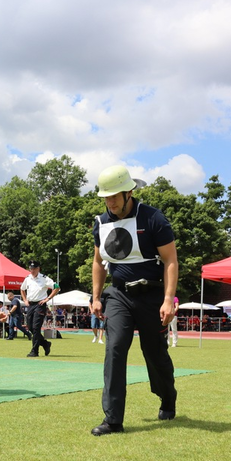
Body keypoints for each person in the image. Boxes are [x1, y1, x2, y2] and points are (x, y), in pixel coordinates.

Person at [90, 165, 178, 436]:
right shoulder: (101, 223)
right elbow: (97, 262)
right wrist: (95, 296)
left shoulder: (153, 219)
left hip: (151, 296)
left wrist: (168, 299)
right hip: (118, 295)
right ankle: (113, 420)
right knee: (114, 349)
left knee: (155, 353)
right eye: (106, 197)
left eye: (115, 195)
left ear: (129, 192)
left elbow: (171, 260)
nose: (111, 202)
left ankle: (167, 397)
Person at [20, 261, 60, 357]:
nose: (32, 270)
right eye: (31, 268)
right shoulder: (28, 278)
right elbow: (22, 289)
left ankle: (35, 351)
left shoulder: (44, 278)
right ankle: (45, 344)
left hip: (40, 304)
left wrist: (48, 298)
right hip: (30, 304)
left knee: (36, 328)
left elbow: (57, 287)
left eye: (34, 268)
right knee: (30, 327)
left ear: (38, 269)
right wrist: (25, 299)